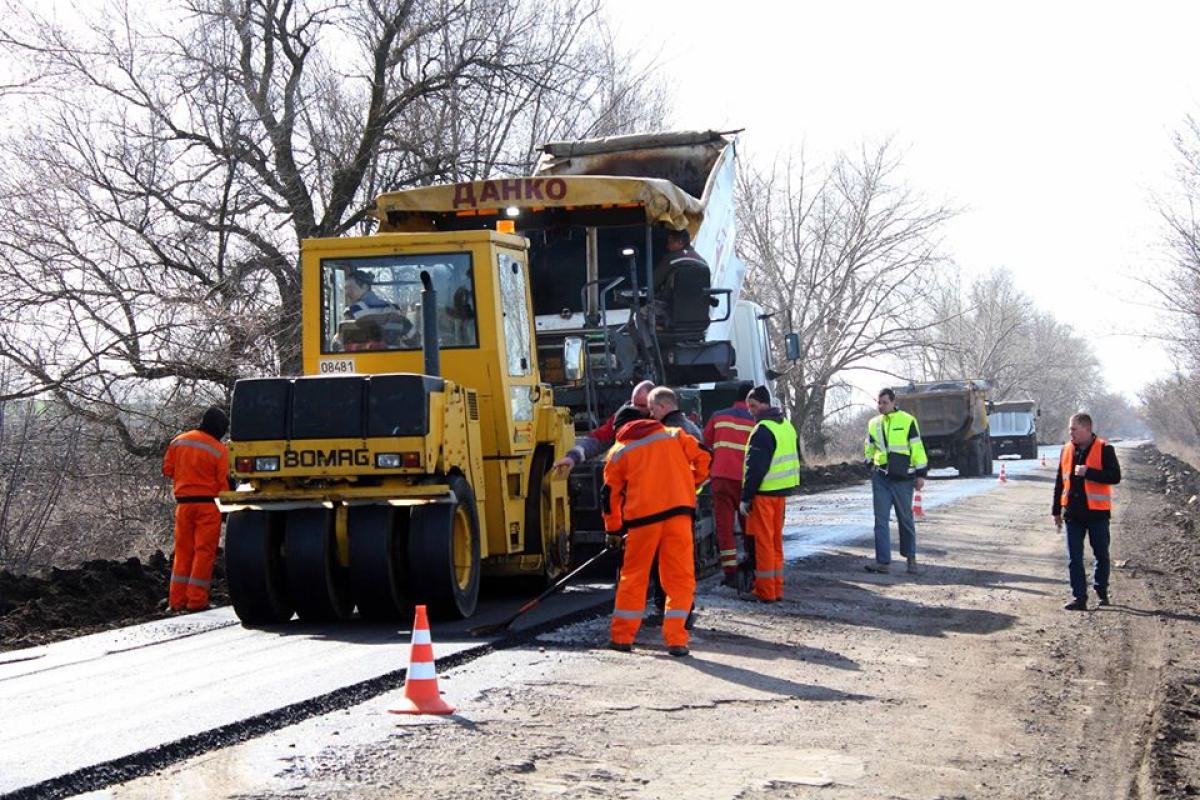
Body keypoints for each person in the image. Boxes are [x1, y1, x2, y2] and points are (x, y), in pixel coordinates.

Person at [603, 403, 711, 656]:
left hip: (642, 523)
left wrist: (614, 530)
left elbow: (610, 497)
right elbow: (705, 457)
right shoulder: (674, 435)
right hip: (678, 516)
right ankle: (676, 639)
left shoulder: (618, 452)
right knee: (679, 577)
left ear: (620, 428)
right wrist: (688, 483)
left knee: (634, 577)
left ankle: (621, 637)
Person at [162, 406, 230, 613]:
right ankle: (196, 600)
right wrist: (226, 509)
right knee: (204, 552)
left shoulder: (179, 441)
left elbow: (167, 470)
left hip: (183, 506)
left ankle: (176, 601)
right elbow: (223, 484)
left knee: (183, 552)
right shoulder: (219, 450)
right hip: (208, 507)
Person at [1052, 412, 1121, 611]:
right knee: (1074, 558)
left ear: (1087, 429)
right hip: (1072, 514)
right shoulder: (1066, 450)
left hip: (1097, 514)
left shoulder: (1105, 448)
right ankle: (1079, 598)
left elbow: (1115, 476)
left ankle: (1101, 591)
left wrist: (1088, 472)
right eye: (1069, 429)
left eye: (1074, 429)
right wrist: (1056, 511)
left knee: (1101, 554)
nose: (1070, 433)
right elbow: (1060, 481)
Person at [739, 386, 800, 602]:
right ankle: (776, 588)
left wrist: (746, 497)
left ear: (764, 404)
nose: (750, 411)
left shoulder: (762, 430)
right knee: (775, 543)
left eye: (753, 406)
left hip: (764, 495)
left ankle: (765, 591)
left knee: (764, 543)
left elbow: (754, 468)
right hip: (781, 493)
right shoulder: (786, 427)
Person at [863, 388, 929, 574]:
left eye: (884, 402)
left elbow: (917, 448)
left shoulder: (908, 420)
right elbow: (869, 446)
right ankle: (883, 562)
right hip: (881, 478)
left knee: (905, 518)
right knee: (880, 520)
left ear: (893, 402)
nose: (881, 406)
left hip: (903, 479)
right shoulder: (873, 423)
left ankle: (911, 559)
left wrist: (920, 474)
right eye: (879, 402)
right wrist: (869, 463)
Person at [703, 381, 756, 584]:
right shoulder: (756, 421)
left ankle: (730, 573)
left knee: (724, 528)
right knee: (749, 527)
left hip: (721, 479)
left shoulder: (719, 416)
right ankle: (752, 565)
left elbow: (705, 444)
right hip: (745, 481)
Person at [552, 379, 656, 473]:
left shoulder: (665, 422)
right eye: (634, 404)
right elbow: (597, 440)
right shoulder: (622, 418)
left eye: (641, 406)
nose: (635, 409)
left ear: (654, 405)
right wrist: (573, 457)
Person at [343, 269, 414, 345]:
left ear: (365, 287)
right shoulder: (393, 309)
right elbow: (414, 338)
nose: (347, 293)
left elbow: (341, 343)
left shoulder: (353, 311)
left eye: (351, 287)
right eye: (346, 288)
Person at [653, 228, 710, 298]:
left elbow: (653, 282)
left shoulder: (672, 258)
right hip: (698, 307)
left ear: (680, 242)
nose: (667, 246)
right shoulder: (704, 263)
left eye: (670, 242)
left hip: (671, 305)